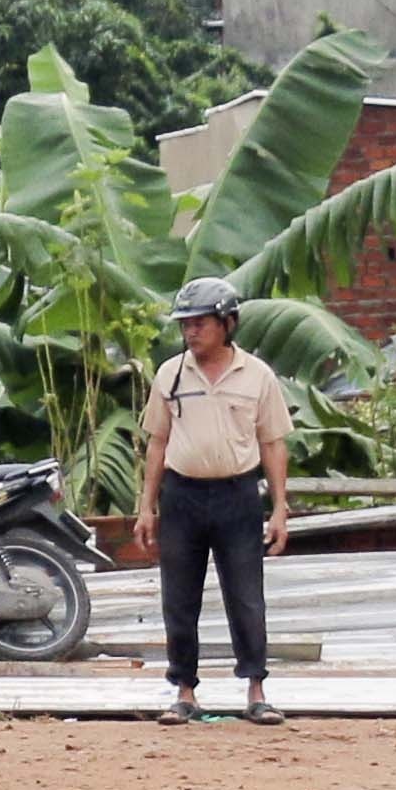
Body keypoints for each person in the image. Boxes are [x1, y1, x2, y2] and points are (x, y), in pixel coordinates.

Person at [137, 276, 293, 727]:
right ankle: (184, 692)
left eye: (201, 323)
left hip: (238, 496)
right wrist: (147, 507)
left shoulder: (256, 376)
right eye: (185, 324)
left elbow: (273, 444)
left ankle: (256, 691)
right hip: (182, 496)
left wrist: (280, 508)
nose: (191, 332)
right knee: (179, 599)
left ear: (228, 323)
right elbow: (157, 442)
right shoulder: (170, 374)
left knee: (246, 597)